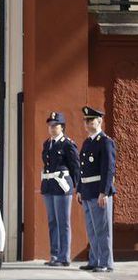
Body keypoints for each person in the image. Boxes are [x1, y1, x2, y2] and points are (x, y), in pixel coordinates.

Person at [77, 106, 116, 272]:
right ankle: (94, 260)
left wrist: (104, 192)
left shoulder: (106, 142)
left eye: (90, 120)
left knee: (102, 229)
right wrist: (79, 189)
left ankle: (105, 263)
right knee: (92, 229)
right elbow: (82, 168)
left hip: (99, 192)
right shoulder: (87, 142)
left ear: (99, 121)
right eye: (85, 120)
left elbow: (108, 169)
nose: (87, 123)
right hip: (87, 191)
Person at [41, 112, 80, 267]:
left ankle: (64, 257)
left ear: (62, 127)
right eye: (50, 125)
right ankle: (54, 255)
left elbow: (75, 167)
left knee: (63, 222)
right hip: (49, 186)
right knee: (52, 221)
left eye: (55, 125)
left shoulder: (67, 144)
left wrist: (75, 186)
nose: (51, 128)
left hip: (62, 186)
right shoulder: (47, 144)